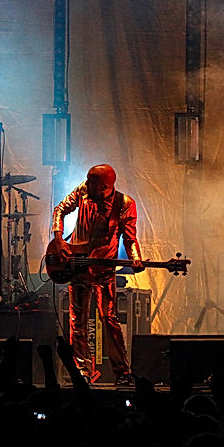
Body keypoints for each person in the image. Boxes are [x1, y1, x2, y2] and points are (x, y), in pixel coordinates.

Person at [51, 164, 144, 385]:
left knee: (109, 318)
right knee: (78, 321)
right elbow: (59, 209)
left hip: (104, 269)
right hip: (78, 267)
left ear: (104, 187)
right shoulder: (83, 190)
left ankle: (122, 372)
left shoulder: (125, 205)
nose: (86, 185)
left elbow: (130, 238)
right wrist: (59, 238)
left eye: (91, 183)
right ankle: (83, 372)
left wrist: (136, 256)